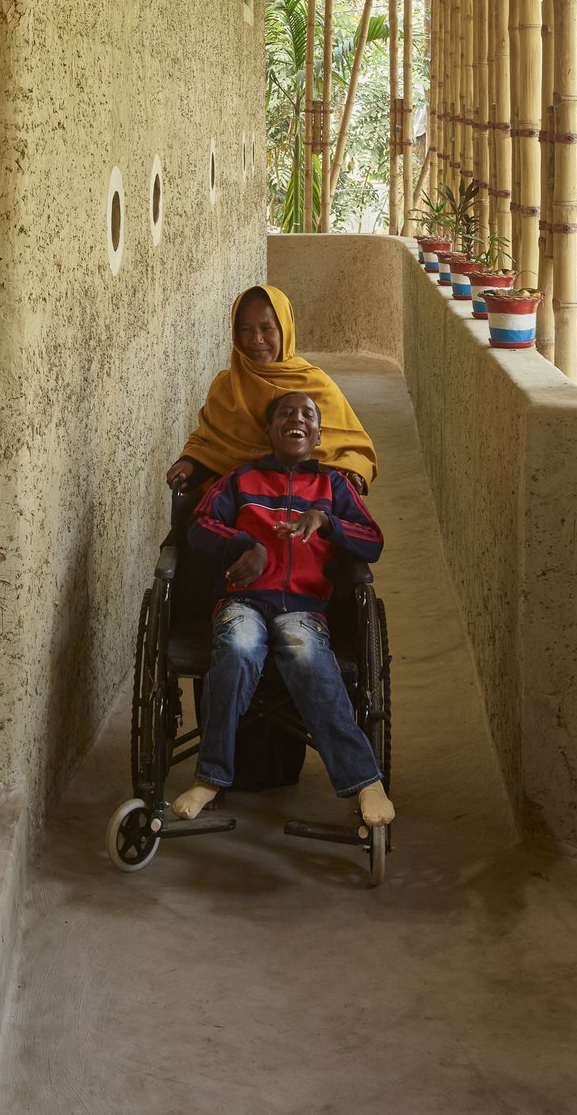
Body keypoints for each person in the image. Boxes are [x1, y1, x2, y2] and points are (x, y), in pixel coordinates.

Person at [167, 389, 395, 831]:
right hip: (243, 601)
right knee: (238, 645)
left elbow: (373, 541)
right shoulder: (240, 479)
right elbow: (199, 526)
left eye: (307, 414)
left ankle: (364, 780)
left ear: (318, 433)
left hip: (304, 608)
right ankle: (210, 777)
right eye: (286, 414)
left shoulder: (333, 485)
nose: (297, 419)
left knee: (306, 652)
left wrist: (327, 521)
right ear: (269, 430)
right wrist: (245, 544)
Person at [163, 283, 378, 496]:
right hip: (237, 503)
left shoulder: (317, 385)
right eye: (245, 329)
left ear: (285, 329)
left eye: (267, 328)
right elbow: (207, 444)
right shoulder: (226, 387)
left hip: (308, 504)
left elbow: (355, 448)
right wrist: (190, 463)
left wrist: (353, 472)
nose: (257, 339)